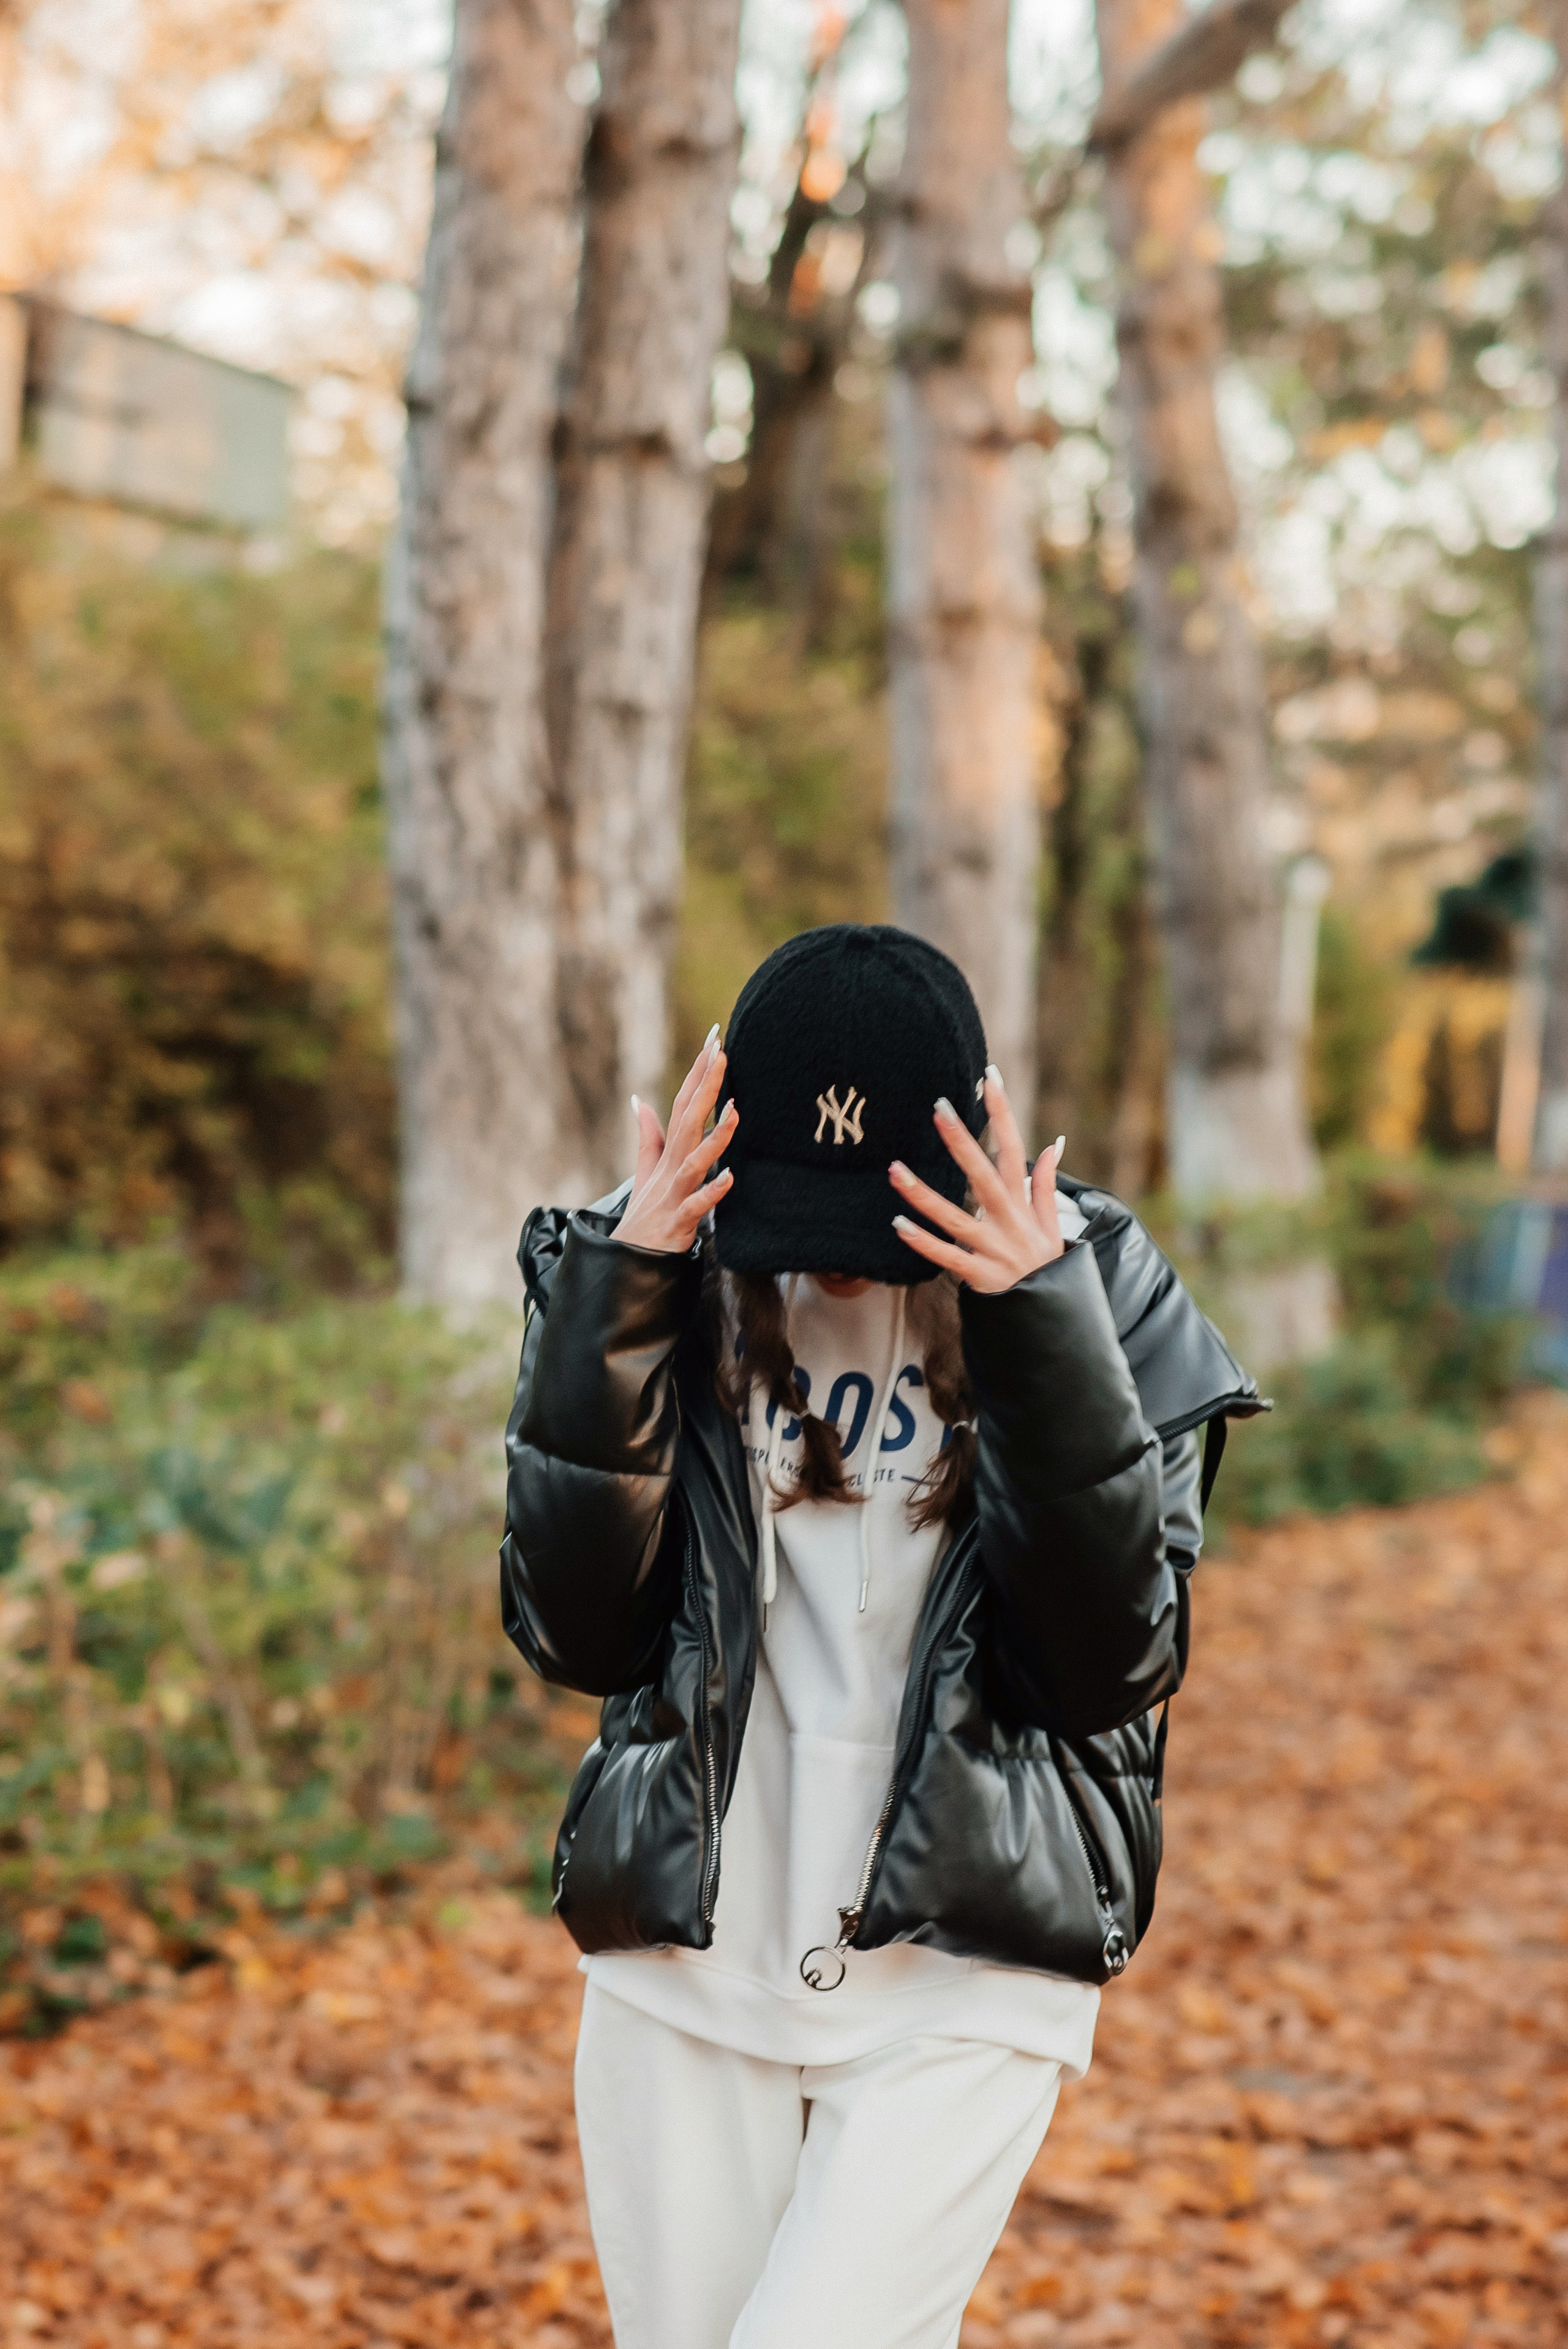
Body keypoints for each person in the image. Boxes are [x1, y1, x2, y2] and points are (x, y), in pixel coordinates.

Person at [501, 925, 1261, 2349]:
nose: (832, 1272)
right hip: (688, 1960)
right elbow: (578, 1634)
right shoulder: (645, 1265)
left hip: (968, 1961)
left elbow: (1106, 1663)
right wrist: (623, 1295)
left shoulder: (1100, 1293)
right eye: (793, 1217)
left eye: (868, 1224)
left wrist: (1039, 1324)